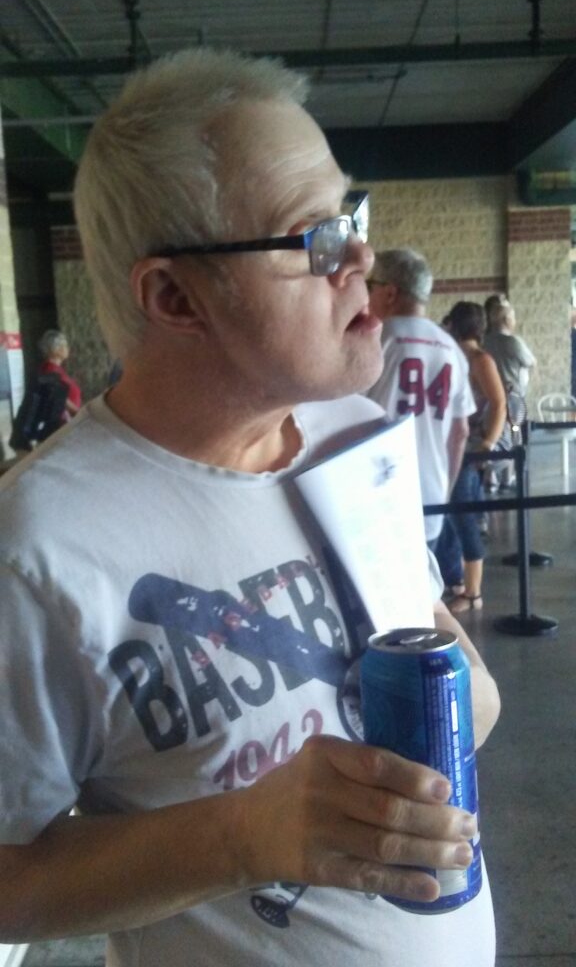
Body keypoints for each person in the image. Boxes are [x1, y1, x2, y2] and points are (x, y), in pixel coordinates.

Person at [0, 48, 500, 967]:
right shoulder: (39, 545)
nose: (360, 258)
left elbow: (456, 682)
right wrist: (244, 836)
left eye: (352, 214)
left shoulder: (354, 435)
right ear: (175, 296)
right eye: (312, 236)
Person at [367, 249, 475, 551]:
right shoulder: (452, 349)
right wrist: (444, 489)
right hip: (430, 495)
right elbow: (460, 434)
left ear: (389, 292)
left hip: (374, 496)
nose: (366, 295)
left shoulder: (374, 341)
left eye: (369, 286)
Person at [436, 302, 507, 614]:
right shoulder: (453, 355)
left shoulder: (479, 358)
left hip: (470, 446)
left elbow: (498, 402)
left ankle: (474, 591)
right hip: (452, 446)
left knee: (463, 515)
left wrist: (488, 442)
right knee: (450, 515)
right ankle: (456, 580)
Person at [483, 300, 536, 489]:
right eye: (512, 316)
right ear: (506, 319)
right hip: (512, 400)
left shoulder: (484, 341)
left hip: (488, 398)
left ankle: (491, 478)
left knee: (493, 434)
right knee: (514, 437)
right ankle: (508, 476)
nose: (514, 320)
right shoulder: (513, 342)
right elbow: (531, 363)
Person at [37, 328, 83, 418]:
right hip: (63, 422)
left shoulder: (55, 369)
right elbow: (60, 398)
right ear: (56, 349)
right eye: (65, 345)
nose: (68, 348)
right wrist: (79, 414)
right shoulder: (50, 369)